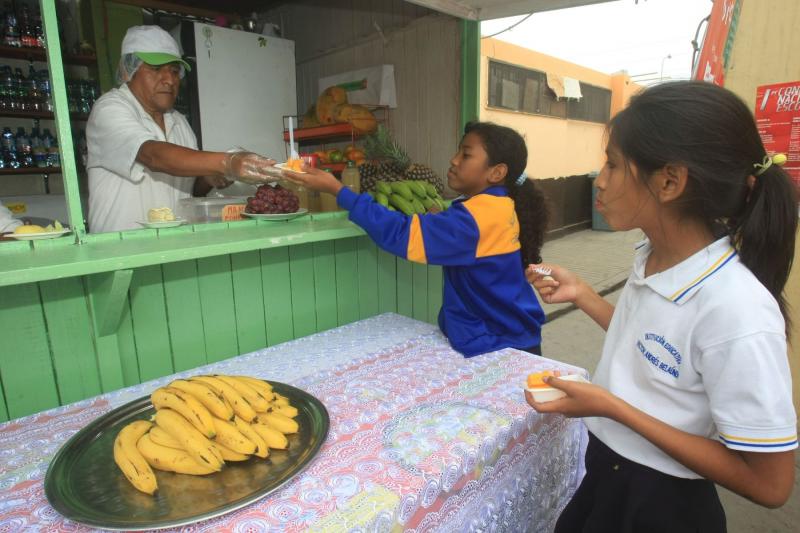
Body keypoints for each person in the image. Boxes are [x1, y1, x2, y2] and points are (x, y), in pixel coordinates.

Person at [526, 81, 797, 532]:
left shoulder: (737, 310)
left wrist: (612, 407)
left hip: (663, 503)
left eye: (612, 165)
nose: (600, 179)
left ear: (669, 181)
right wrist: (586, 296)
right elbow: (655, 350)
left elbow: (771, 485)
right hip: (608, 473)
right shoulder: (653, 255)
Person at [284, 121, 548, 357]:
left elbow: (401, 233)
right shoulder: (497, 206)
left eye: (466, 155)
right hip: (514, 332)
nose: (454, 160)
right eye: (458, 152)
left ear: (496, 173)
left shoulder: (475, 219)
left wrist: (339, 191)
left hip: (502, 343)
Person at [87, 25, 276, 233]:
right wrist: (229, 162)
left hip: (172, 250)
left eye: (175, 71)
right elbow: (153, 156)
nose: (169, 80)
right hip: (120, 251)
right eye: (156, 69)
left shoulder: (179, 123)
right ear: (128, 71)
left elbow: (190, 193)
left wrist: (206, 179)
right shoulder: (110, 109)